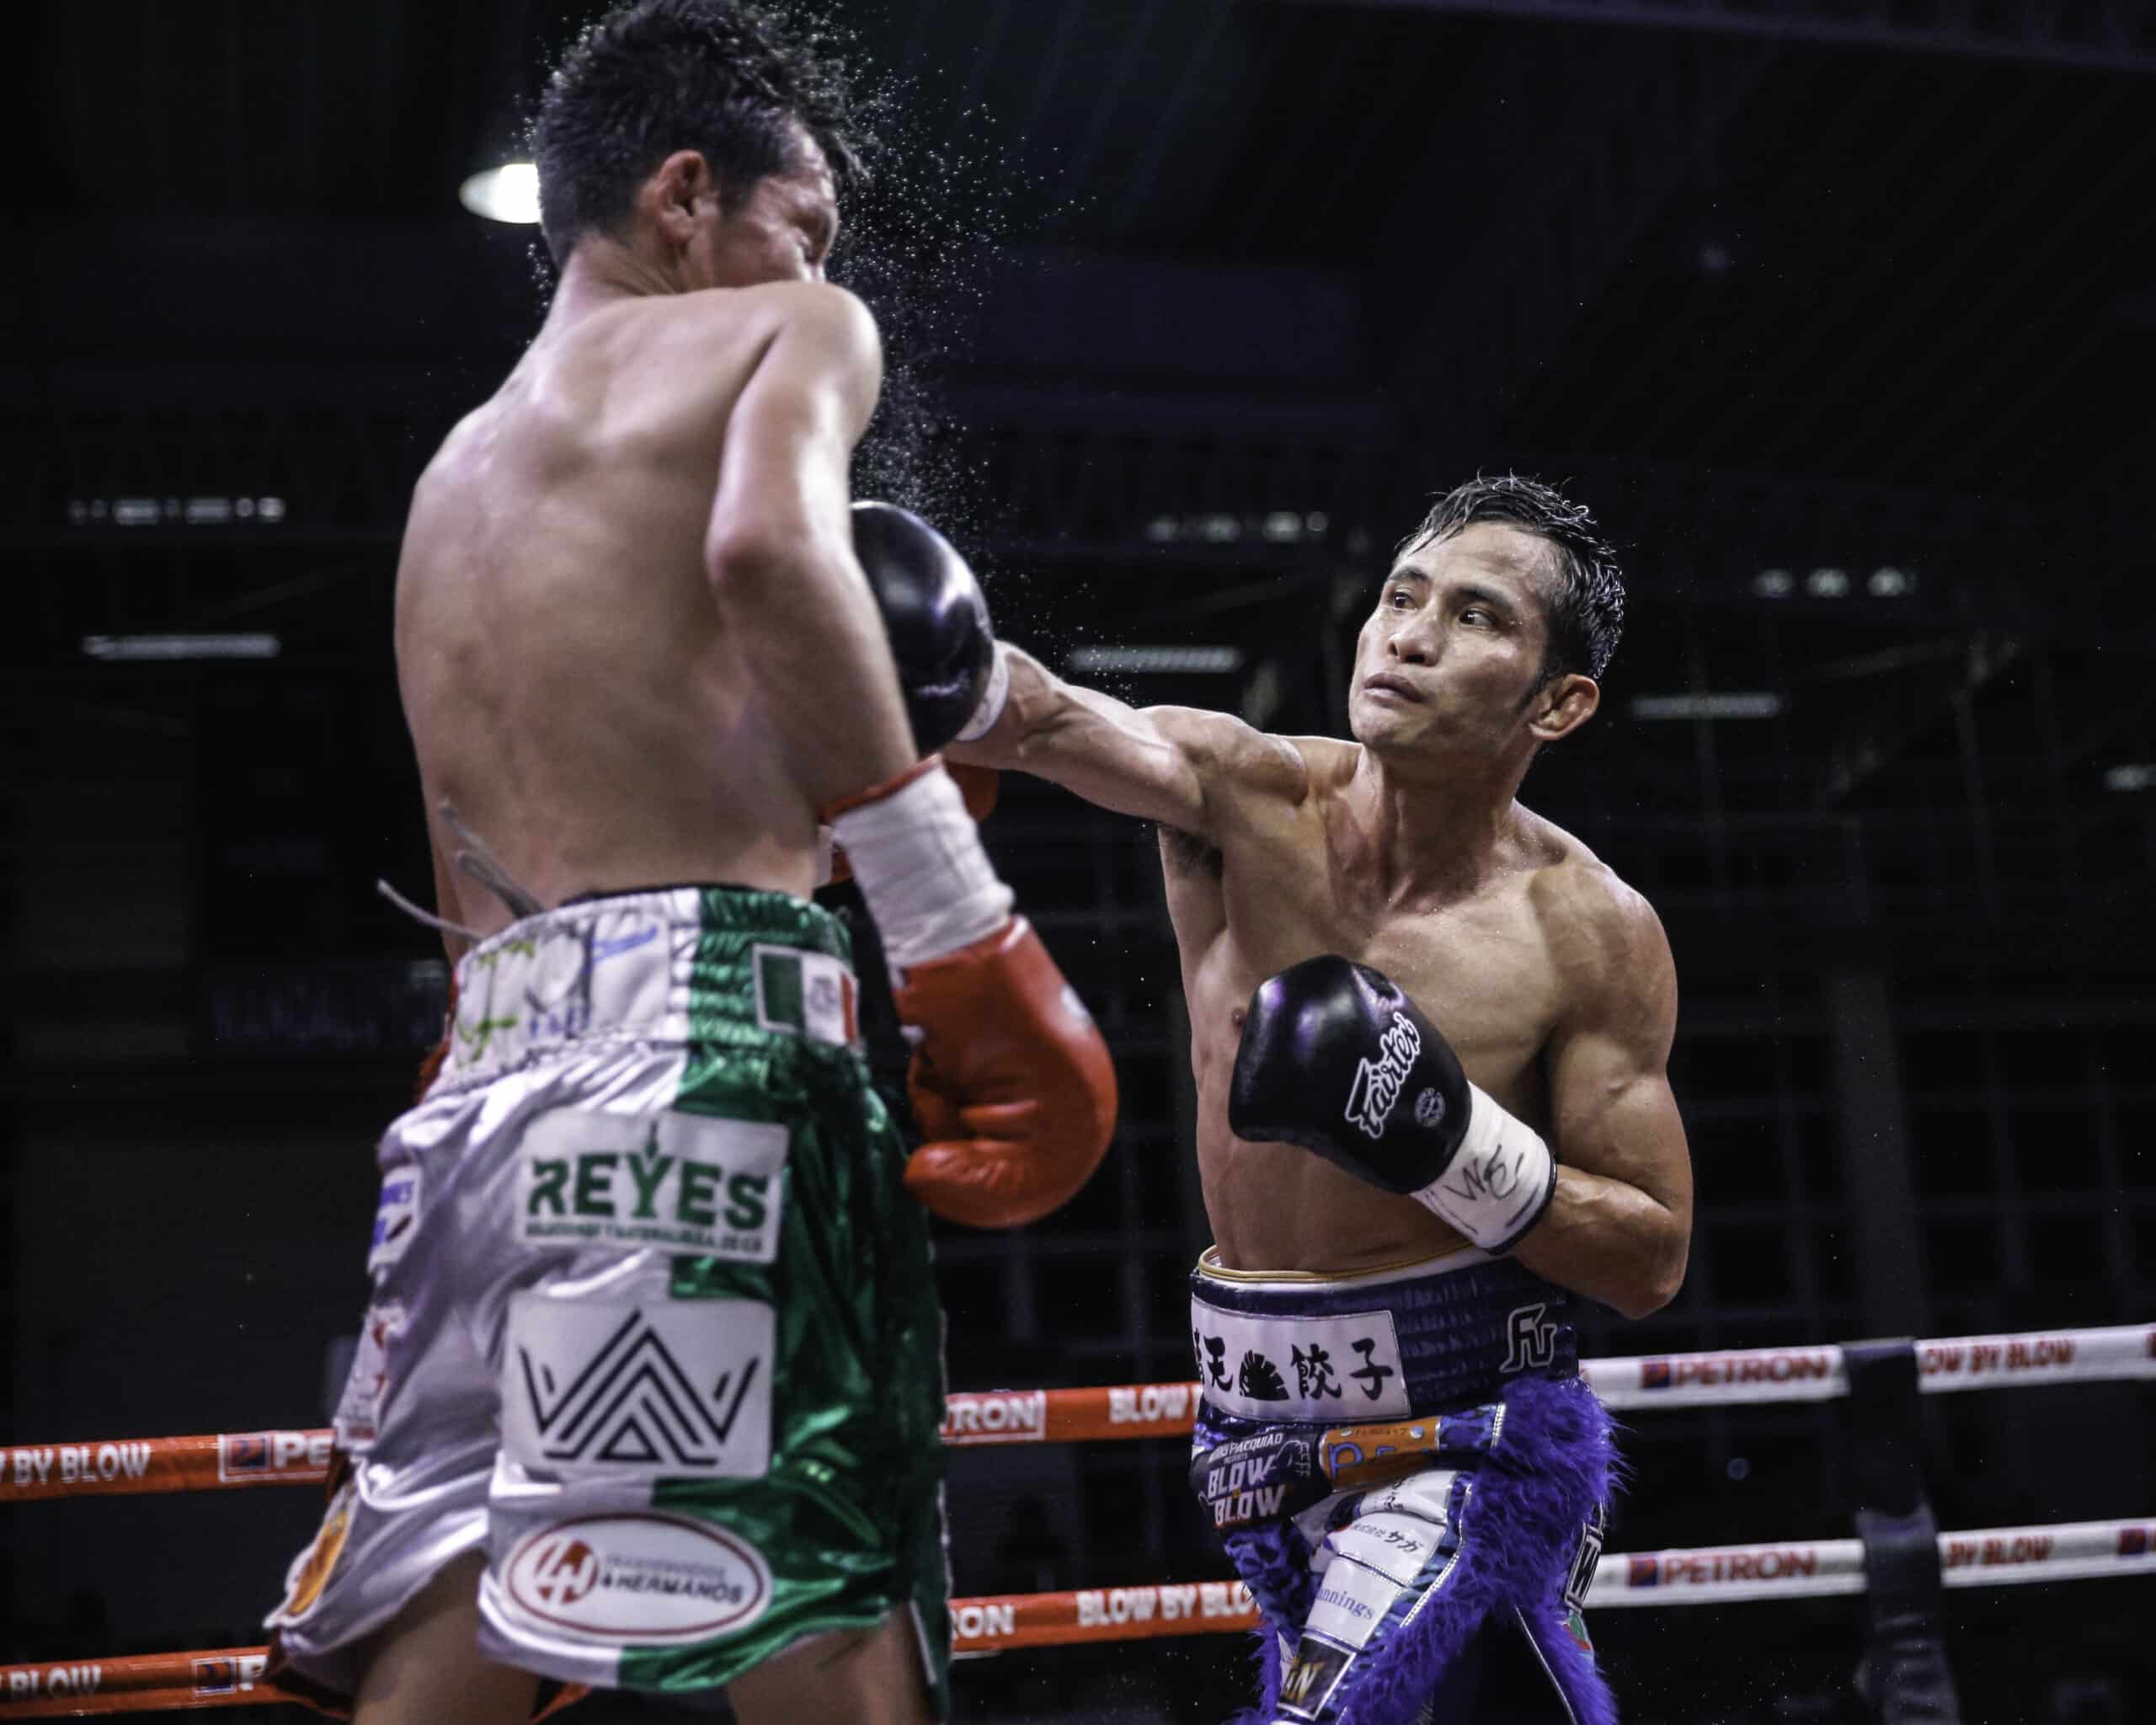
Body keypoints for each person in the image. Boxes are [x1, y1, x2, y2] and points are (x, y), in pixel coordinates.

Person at [263, 5, 1115, 1722]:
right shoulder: (788, 332)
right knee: (819, 1589)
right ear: (682, 195)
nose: (812, 262)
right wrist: (958, 932)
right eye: (800, 223)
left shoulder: (454, 480)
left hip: (485, 1087)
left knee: (456, 1626)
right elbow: (765, 547)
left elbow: (465, 861)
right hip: (714, 1040)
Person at [953, 475, 1692, 1722]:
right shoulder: (1241, 800)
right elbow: (1041, 721)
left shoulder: (1593, 935)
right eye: (1402, 597)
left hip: (1472, 1433)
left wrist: (1450, 1143)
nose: (1409, 635)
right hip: (1255, 1438)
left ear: (1558, 701)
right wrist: (906, 645)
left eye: (1474, 616)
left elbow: (1650, 1259)